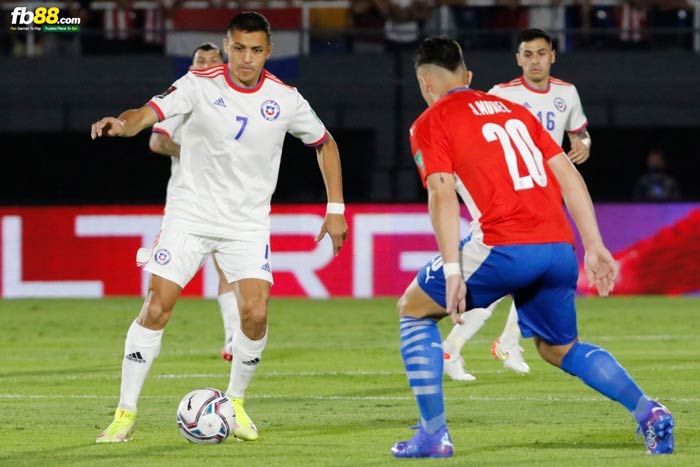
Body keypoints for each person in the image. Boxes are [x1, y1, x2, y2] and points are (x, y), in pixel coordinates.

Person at [390, 36, 674, 458]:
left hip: (504, 244)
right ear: (467, 77)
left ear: (424, 82)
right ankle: (649, 413)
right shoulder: (516, 111)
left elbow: (441, 193)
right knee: (559, 348)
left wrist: (453, 270)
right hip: (558, 247)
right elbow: (569, 175)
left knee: (413, 310)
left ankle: (433, 435)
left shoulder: (431, 121)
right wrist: (594, 245)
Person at [91, 11, 348, 443]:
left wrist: (335, 207)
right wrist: (123, 124)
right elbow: (147, 113)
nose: (247, 58)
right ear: (226, 46)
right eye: (239, 48)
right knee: (157, 307)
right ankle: (125, 413)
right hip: (189, 215)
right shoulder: (198, 84)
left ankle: (236, 403)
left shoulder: (286, 99)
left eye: (257, 50)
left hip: (246, 224)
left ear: (269, 51)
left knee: (255, 313)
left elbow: (325, 144)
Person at [442, 28, 593, 381]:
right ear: (518, 59)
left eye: (541, 53)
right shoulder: (501, 94)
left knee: (531, 276)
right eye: (527, 54)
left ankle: (504, 342)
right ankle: (462, 346)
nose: (535, 60)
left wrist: (584, 143)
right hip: (506, 200)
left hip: (546, 198)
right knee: (508, 277)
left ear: (551, 56)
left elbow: (579, 132)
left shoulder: (566, 93)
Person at [146, 41, 239, 361]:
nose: (207, 64)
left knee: (229, 270)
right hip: (188, 204)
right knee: (166, 280)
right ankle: (146, 343)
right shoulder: (182, 96)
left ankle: (231, 341)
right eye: (201, 60)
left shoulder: (236, 101)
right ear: (191, 67)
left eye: (214, 60)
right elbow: (157, 141)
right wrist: (197, 156)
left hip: (228, 201)